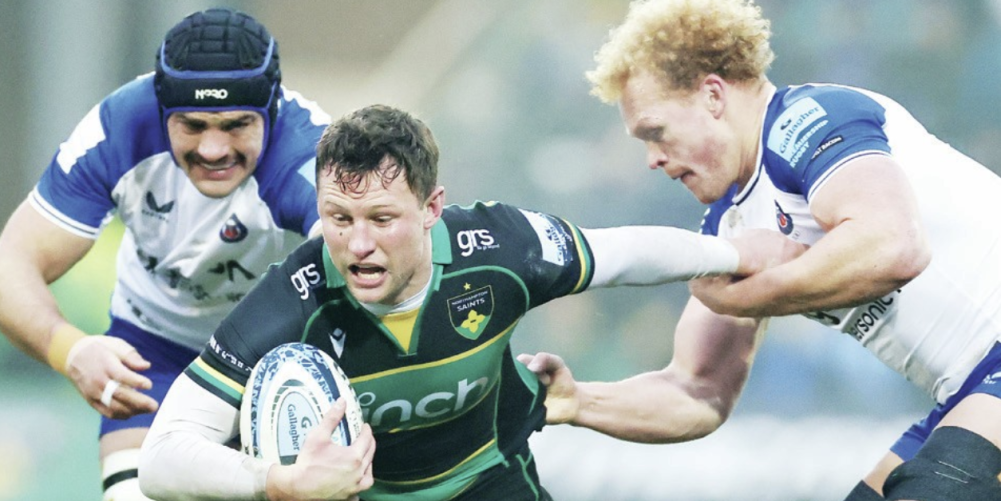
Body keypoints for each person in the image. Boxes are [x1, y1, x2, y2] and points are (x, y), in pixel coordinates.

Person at [137, 103, 800, 501]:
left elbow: (621, 253)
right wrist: (276, 482)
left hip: (491, 483)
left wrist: (735, 253)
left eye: (381, 218)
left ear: (432, 208)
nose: (357, 244)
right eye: (338, 218)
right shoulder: (292, 299)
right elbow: (162, 455)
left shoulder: (498, 248)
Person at [517, 0, 1001, 500]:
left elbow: (895, 247)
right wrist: (578, 401)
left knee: (935, 490)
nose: (652, 159)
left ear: (712, 95)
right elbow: (697, 390)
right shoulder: (731, 224)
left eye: (656, 132)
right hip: (969, 386)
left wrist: (747, 295)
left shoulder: (810, 121)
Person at [0, 8, 330, 501]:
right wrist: (70, 349)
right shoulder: (120, 126)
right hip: (151, 348)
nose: (213, 148)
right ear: (161, 112)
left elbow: (359, 260)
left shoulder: (310, 150)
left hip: (274, 355)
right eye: (192, 125)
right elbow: (12, 262)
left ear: (272, 110)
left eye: (236, 125)